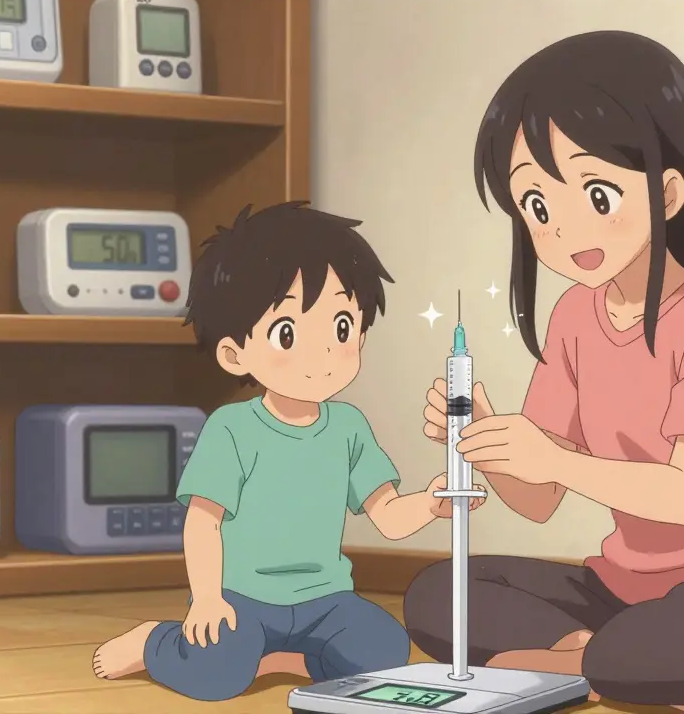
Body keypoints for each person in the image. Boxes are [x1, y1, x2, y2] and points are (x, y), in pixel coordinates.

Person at [402, 32, 684, 714]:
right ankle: (588, 657)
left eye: (596, 193)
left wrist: (554, 460)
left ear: (670, 191)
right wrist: (489, 442)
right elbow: (539, 499)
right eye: (537, 207)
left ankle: (582, 662)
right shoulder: (574, 317)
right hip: (621, 592)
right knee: (436, 594)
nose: (563, 228)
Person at [92, 202, 486, 701]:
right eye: (288, 333)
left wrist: (433, 503)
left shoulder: (348, 427)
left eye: (342, 327)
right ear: (235, 353)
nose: (323, 353)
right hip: (243, 600)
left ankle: (281, 657)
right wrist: (208, 599)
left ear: (361, 331)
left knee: (384, 651)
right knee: (215, 672)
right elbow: (203, 521)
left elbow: (386, 514)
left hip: (326, 601)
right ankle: (155, 642)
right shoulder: (232, 429)